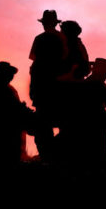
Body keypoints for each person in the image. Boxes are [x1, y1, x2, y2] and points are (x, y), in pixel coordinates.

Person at [28, 10, 68, 161]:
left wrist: (33, 88)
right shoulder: (62, 38)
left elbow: (34, 62)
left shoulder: (39, 39)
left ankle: (47, 155)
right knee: (62, 120)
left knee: (43, 123)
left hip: (42, 87)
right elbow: (65, 59)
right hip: (59, 86)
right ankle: (58, 154)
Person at [0, 62, 32, 163]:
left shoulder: (3, 90)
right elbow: (9, 114)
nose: (12, 76)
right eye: (9, 73)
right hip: (7, 141)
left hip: (11, 141)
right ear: (3, 74)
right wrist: (22, 109)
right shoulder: (3, 91)